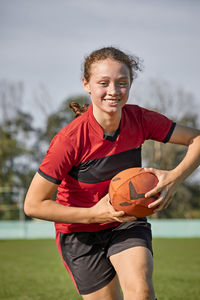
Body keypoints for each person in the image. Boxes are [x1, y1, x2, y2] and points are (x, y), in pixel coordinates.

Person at [24, 46, 200, 300]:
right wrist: (95, 213)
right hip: (79, 232)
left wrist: (175, 177)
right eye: (103, 83)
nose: (113, 91)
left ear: (130, 84)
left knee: (140, 291)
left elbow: (196, 139)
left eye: (122, 83)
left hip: (126, 220)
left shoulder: (139, 119)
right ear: (86, 84)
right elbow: (33, 205)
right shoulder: (69, 141)